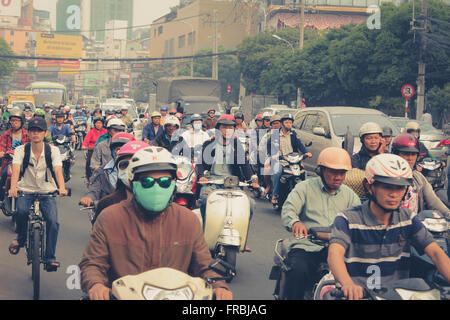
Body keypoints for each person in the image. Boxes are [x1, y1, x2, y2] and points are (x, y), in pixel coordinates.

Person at [79, 146, 233, 300]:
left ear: (173, 183)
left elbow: (204, 264)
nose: (156, 187)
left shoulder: (188, 220)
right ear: (133, 183)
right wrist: (96, 285)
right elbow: (92, 263)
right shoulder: (109, 218)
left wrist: (219, 287)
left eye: (165, 182)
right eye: (147, 181)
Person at [327, 153, 450, 300]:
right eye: (387, 187)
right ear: (369, 186)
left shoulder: (408, 218)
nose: (394, 194)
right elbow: (334, 254)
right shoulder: (347, 219)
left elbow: (436, 252)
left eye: (400, 188)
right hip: (357, 296)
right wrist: (348, 284)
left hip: (396, 295)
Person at [281, 147, 360, 300]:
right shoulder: (304, 188)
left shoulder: (350, 196)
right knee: (298, 271)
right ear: (321, 170)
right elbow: (289, 208)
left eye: (342, 173)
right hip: (308, 246)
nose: (338, 177)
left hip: (339, 250)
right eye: (333, 172)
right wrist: (295, 222)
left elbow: (359, 219)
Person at [8, 117, 68, 271]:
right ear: (28, 133)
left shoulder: (52, 150)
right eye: (33, 131)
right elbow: (15, 169)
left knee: (53, 222)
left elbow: (58, 170)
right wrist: (13, 187)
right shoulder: (21, 150)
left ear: (45, 133)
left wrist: (61, 187)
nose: (36, 134)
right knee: (20, 212)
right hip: (26, 189)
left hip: (47, 190)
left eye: (39, 131)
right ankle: (21, 239)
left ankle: (49, 257)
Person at [196, 114, 260, 222]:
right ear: (218, 129)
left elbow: (245, 164)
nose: (227, 130)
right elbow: (200, 164)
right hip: (212, 183)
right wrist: (202, 176)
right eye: (224, 127)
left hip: (232, 184)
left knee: (250, 204)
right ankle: (205, 228)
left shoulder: (237, 145)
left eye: (230, 128)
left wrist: (252, 180)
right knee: (204, 200)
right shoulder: (209, 144)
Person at [391, 133, 449, 218]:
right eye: (406, 154)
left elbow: (434, 202)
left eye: (413, 154)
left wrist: (448, 214)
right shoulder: (387, 177)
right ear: (396, 154)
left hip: (415, 225)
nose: (410, 158)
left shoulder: (418, 178)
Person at [80, 132, 136, 208]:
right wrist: (88, 198)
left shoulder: (140, 172)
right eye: (117, 149)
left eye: (125, 148)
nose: (120, 152)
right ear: (112, 151)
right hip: (108, 211)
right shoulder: (101, 172)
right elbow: (94, 191)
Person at [268, 113, 312, 206]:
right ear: (282, 124)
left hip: (293, 161)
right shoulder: (275, 135)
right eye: (287, 122)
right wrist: (273, 155)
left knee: (304, 172)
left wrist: (306, 153)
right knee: (277, 172)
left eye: (290, 123)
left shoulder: (293, 134)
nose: (289, 124)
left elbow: (300, 145)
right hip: (280, 161)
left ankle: (306, 195)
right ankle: (275, 194)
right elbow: (270, 147)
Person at [0, 108, 29, 201]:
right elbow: (2, 146)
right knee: (4, 175)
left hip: (24, 161)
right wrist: (2, 152)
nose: (14, 123)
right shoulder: (6, 134)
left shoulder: (27, 134)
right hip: (9, 161)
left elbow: (31, 147)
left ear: (22, 121)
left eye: (17, 121)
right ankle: (1, 198)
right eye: (12, 120)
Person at [82, 117, 108, 183]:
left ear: (102, 124)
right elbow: (86, 141)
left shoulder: (105, 132)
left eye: (100, 123)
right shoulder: (91, 132)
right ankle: (87, 178)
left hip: (103, 151)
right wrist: (85, 146)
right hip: (93, 151)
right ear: (94, 124)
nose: (98, 124)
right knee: (88, 163)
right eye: (97, 123)